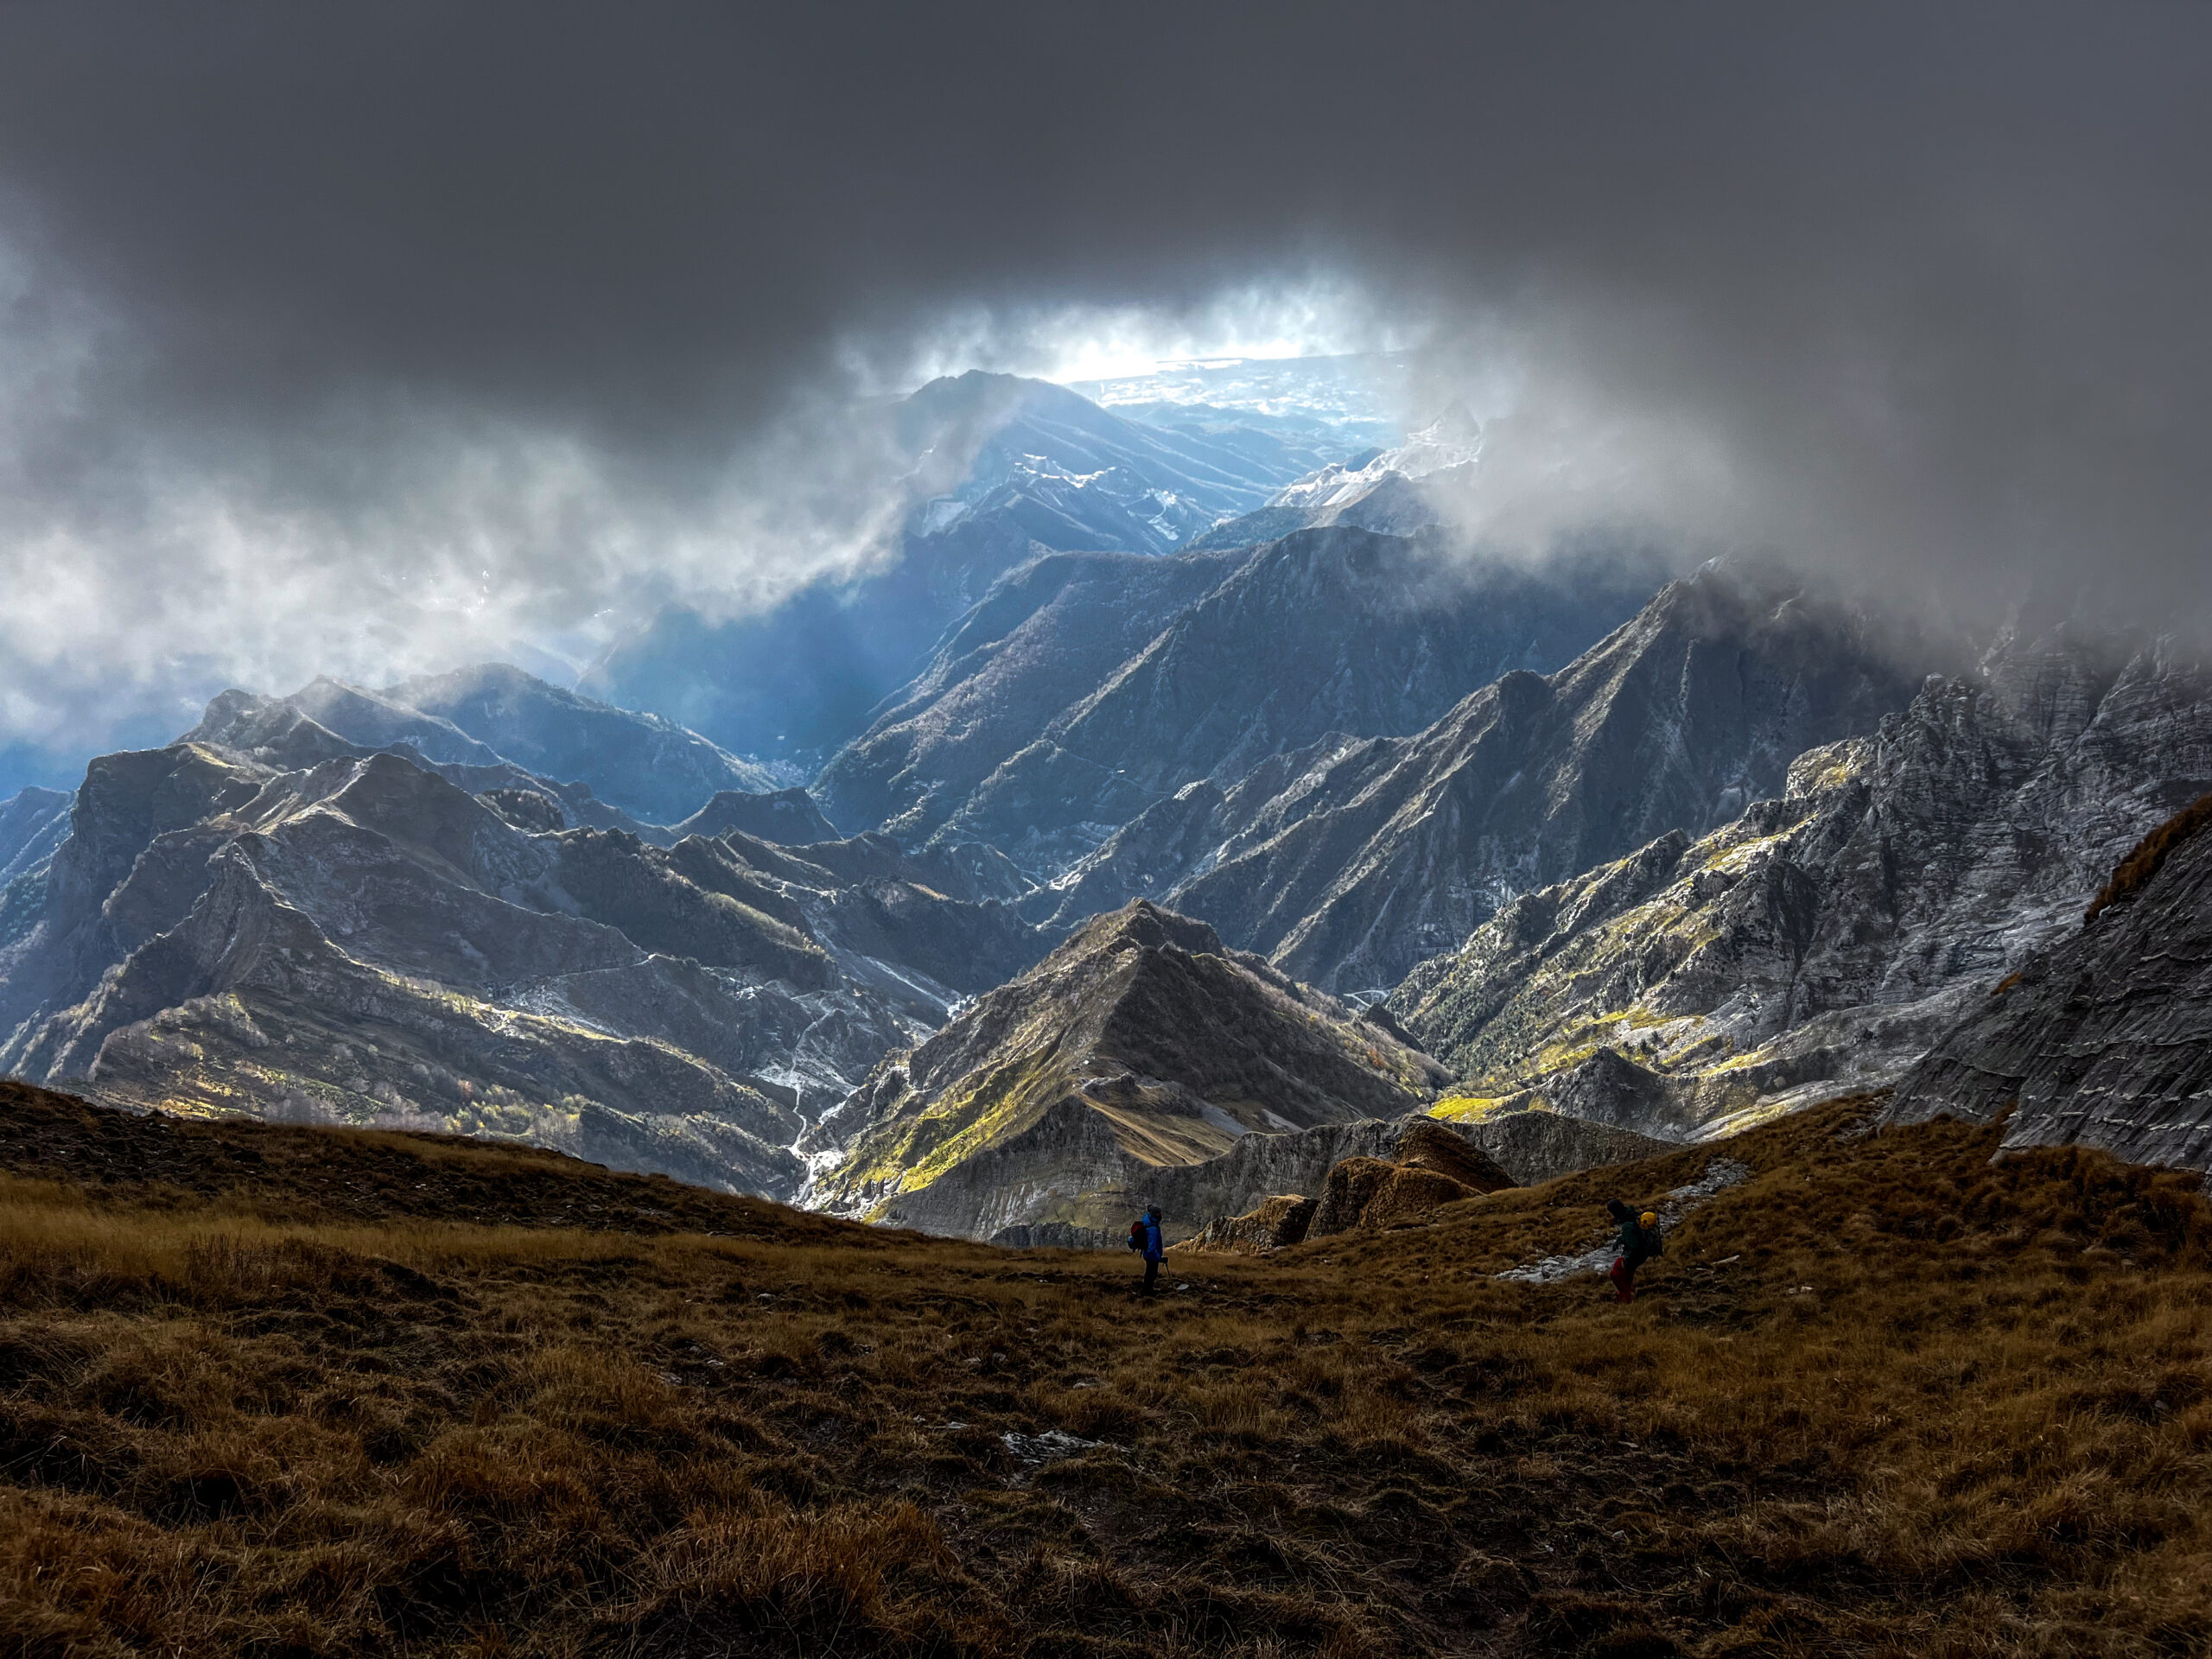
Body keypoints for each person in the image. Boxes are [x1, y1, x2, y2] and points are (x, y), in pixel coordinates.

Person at [1605, 1198, 1658, 1303]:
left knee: (1615, 1274)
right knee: (1627, 1275)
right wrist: (1621, 1239)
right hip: (1643, 1254)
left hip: (1635, 1256)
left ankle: (1626, 1296)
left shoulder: (1627, 1226)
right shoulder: (1632, 1216)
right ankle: (1623, 1296)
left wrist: (1627, 1258)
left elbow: (1634, 1245)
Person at [1129, 1204, 1164, 1294]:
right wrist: (1156, 1255)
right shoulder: (1152, 1228)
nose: (1160, 1215)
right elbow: (1152, 1244)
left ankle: (1148, 1290)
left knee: (1149, 1273)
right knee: (1151, 1274)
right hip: (1152, 1255)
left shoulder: (1149, 1224)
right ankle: (1148, 1291)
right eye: (1158, 1214)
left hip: (1149, 1254)